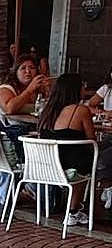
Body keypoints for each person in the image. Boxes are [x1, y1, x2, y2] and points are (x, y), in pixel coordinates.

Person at [37, 72, 98, 227]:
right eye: (83, 86)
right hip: (69, 167)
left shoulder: (47, 111)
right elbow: (91, 140)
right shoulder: (81, 110)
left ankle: (75, 210)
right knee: (92, 157)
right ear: (75, 89)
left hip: (46, 166)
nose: (85, 89)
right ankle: (73, 210)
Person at [0, 54, 50, 118]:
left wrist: (47, 90)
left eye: (32, 68)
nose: (28, 71)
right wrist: (29, 90)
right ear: (16, 72)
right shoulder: (5, 89)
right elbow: (9, 109)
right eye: (23, 68)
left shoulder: (37, 89)